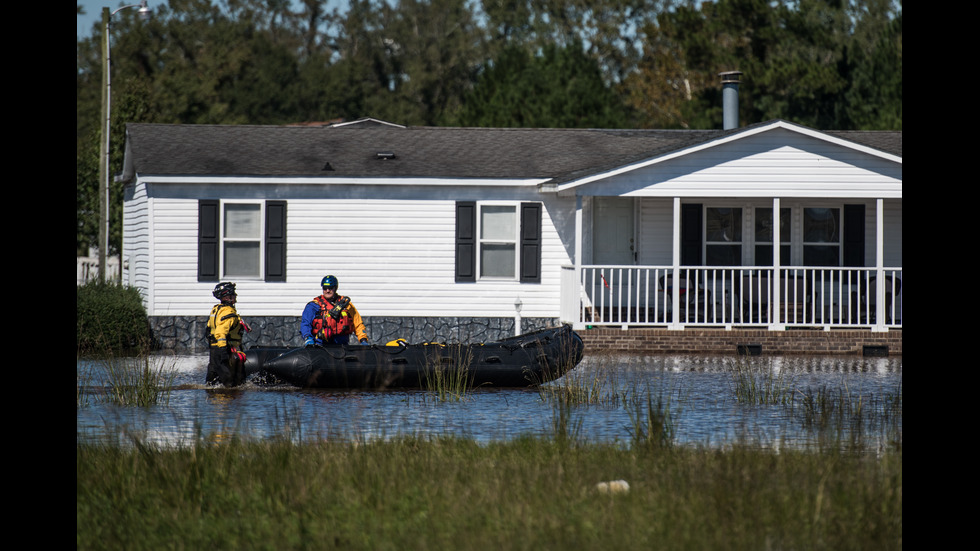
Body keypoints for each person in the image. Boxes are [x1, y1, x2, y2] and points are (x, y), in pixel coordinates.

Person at [301, 275, 368, 346]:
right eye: (325, 288)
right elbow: (305, 323)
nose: (327, 291)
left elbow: (358, 323)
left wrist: (363, 339)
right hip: (320, 345)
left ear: (335, 288)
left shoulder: (345, 304)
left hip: (342, 345)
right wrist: (308, 338)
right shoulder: (314, 305)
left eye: (330, 288)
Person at [205, 282, 250, 386]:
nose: (235, 296)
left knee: (213, 380)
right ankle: (226, 400)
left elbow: (209, 329)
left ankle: (214, 399)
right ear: (227, 297)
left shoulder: (217, 309)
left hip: (214, 349)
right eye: (233, 294)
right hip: (226, 349)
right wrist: (224, 351)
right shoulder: (228, 312)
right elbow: (221, 332)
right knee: (231, 381)